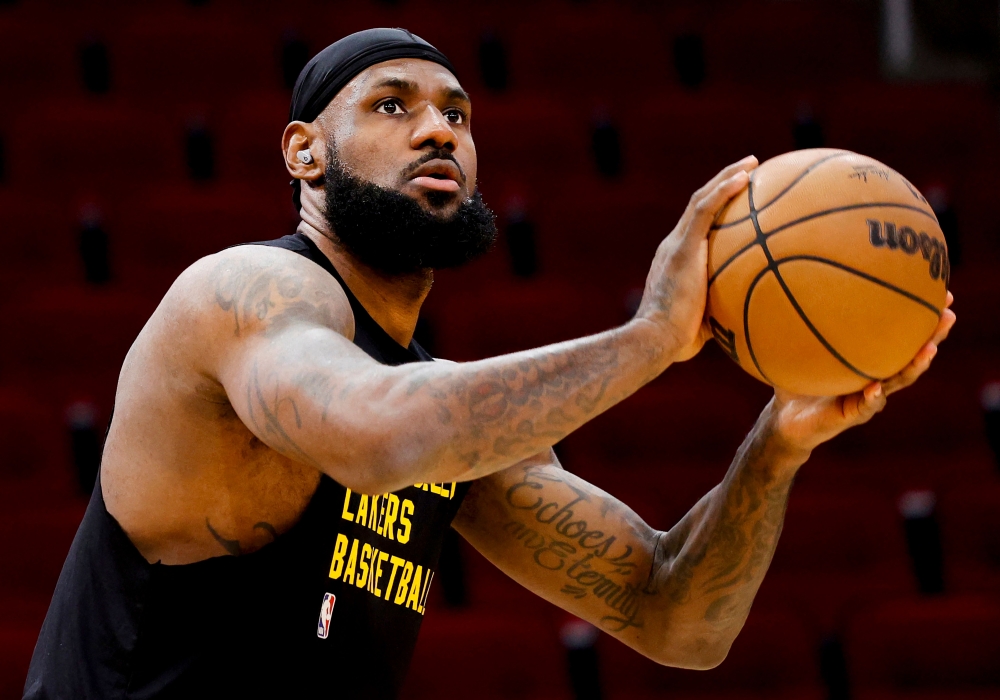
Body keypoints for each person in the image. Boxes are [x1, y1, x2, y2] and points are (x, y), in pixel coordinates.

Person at [24, 28, 955, 700]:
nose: (439, 131)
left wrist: (779, 439)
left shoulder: (457, 417)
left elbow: (676, 617)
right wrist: (650, 338)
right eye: (394, 105)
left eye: (457, 115)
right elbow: (382, 434)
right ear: (303, 152)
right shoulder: (245, 294)